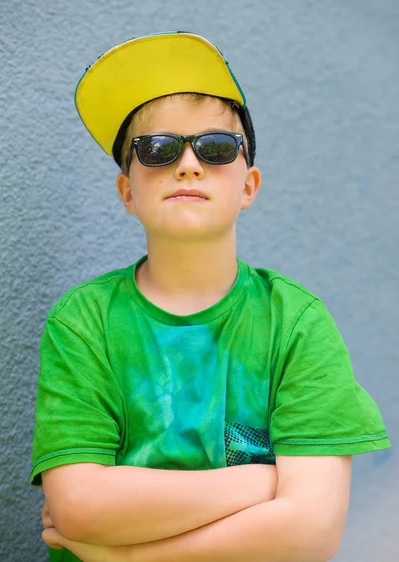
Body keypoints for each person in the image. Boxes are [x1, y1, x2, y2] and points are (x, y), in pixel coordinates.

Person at [31, 31, 390, 562]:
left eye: (217, 147)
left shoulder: (296, 323)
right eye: (157, 149)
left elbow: (311, 534)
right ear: (128, 191)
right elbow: (80, 509)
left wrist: (126, 557)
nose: (189, 164)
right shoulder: (84, 322)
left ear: (249, 186)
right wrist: (263, 483)